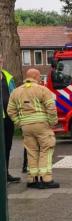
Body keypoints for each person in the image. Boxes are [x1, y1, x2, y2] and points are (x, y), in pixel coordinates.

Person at [7, 68, 59, 189]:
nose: (41, 79)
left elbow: (10, 110)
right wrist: (52, 122)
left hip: (26, 127)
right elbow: (51, 107)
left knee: (31, 151)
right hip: (41, 125)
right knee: (46, 149)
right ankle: (46, 179)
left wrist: (19, 122)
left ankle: (32, 179)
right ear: (35, 76)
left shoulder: (16, 91)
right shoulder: (42, 90)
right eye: (40, 76)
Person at [0, 54, 21, 183]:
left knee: (7, 146)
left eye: (0, 59)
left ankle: (5, 173)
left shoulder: (8, 77)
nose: (0, 62)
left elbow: (14, 95)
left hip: (8, 117)